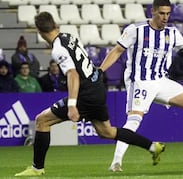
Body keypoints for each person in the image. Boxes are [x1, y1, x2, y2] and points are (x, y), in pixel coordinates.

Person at [15, 12, 165, 176]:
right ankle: (153, 147)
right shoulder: (68, 37)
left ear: (39, 30)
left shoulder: (58, 49)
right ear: (54, 24)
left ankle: (37, 169)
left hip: (85, 93)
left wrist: (72, 105)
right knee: (106, 132)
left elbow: (73, 74)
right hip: (97, 86)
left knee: (42, 120)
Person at [101, 0, 183, 172]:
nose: (165, 17)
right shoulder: (136, 30)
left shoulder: (172, 33)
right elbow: (117, 51)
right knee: (134, 120)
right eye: (161, 13)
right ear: (152, 11)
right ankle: (116, 162)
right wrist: (100, 71)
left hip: (162, 81)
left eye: (168, 14)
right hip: (140, 81)